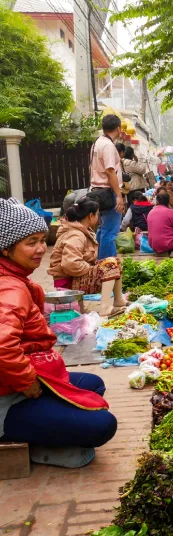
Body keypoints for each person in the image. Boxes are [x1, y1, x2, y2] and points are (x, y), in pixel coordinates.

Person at [0, 198, 116, 466]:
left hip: (13, 383)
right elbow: (3, 345)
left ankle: (43, 427)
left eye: (42, 239)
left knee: (93, 385)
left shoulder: (16, 279)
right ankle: (32, 447)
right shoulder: (10, 288)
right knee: (101, 424)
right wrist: (27, 381)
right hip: (8, 397)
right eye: (31, 243)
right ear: (6, 249)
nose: (41, 248)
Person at [47, 198, 125, 317]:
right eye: (97, 214)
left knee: (115, 261)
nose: (98, 218)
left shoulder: (81, 231)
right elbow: (70, 264)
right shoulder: (76, 235)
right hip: (67, 282)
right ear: (90, 216)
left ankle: (119, 300)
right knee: (110, 265)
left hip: (73, 277)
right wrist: (92, 269)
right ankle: (105, 308)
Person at [89, 114, 126, 260]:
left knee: (103, 229)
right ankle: (107, 266)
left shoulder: (97, 143)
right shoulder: (108, 145)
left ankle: (99, 261)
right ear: (118, 128)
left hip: (99, 191)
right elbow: (110, 171)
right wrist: (119, 196)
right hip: (108, 192)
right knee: (110, 232)